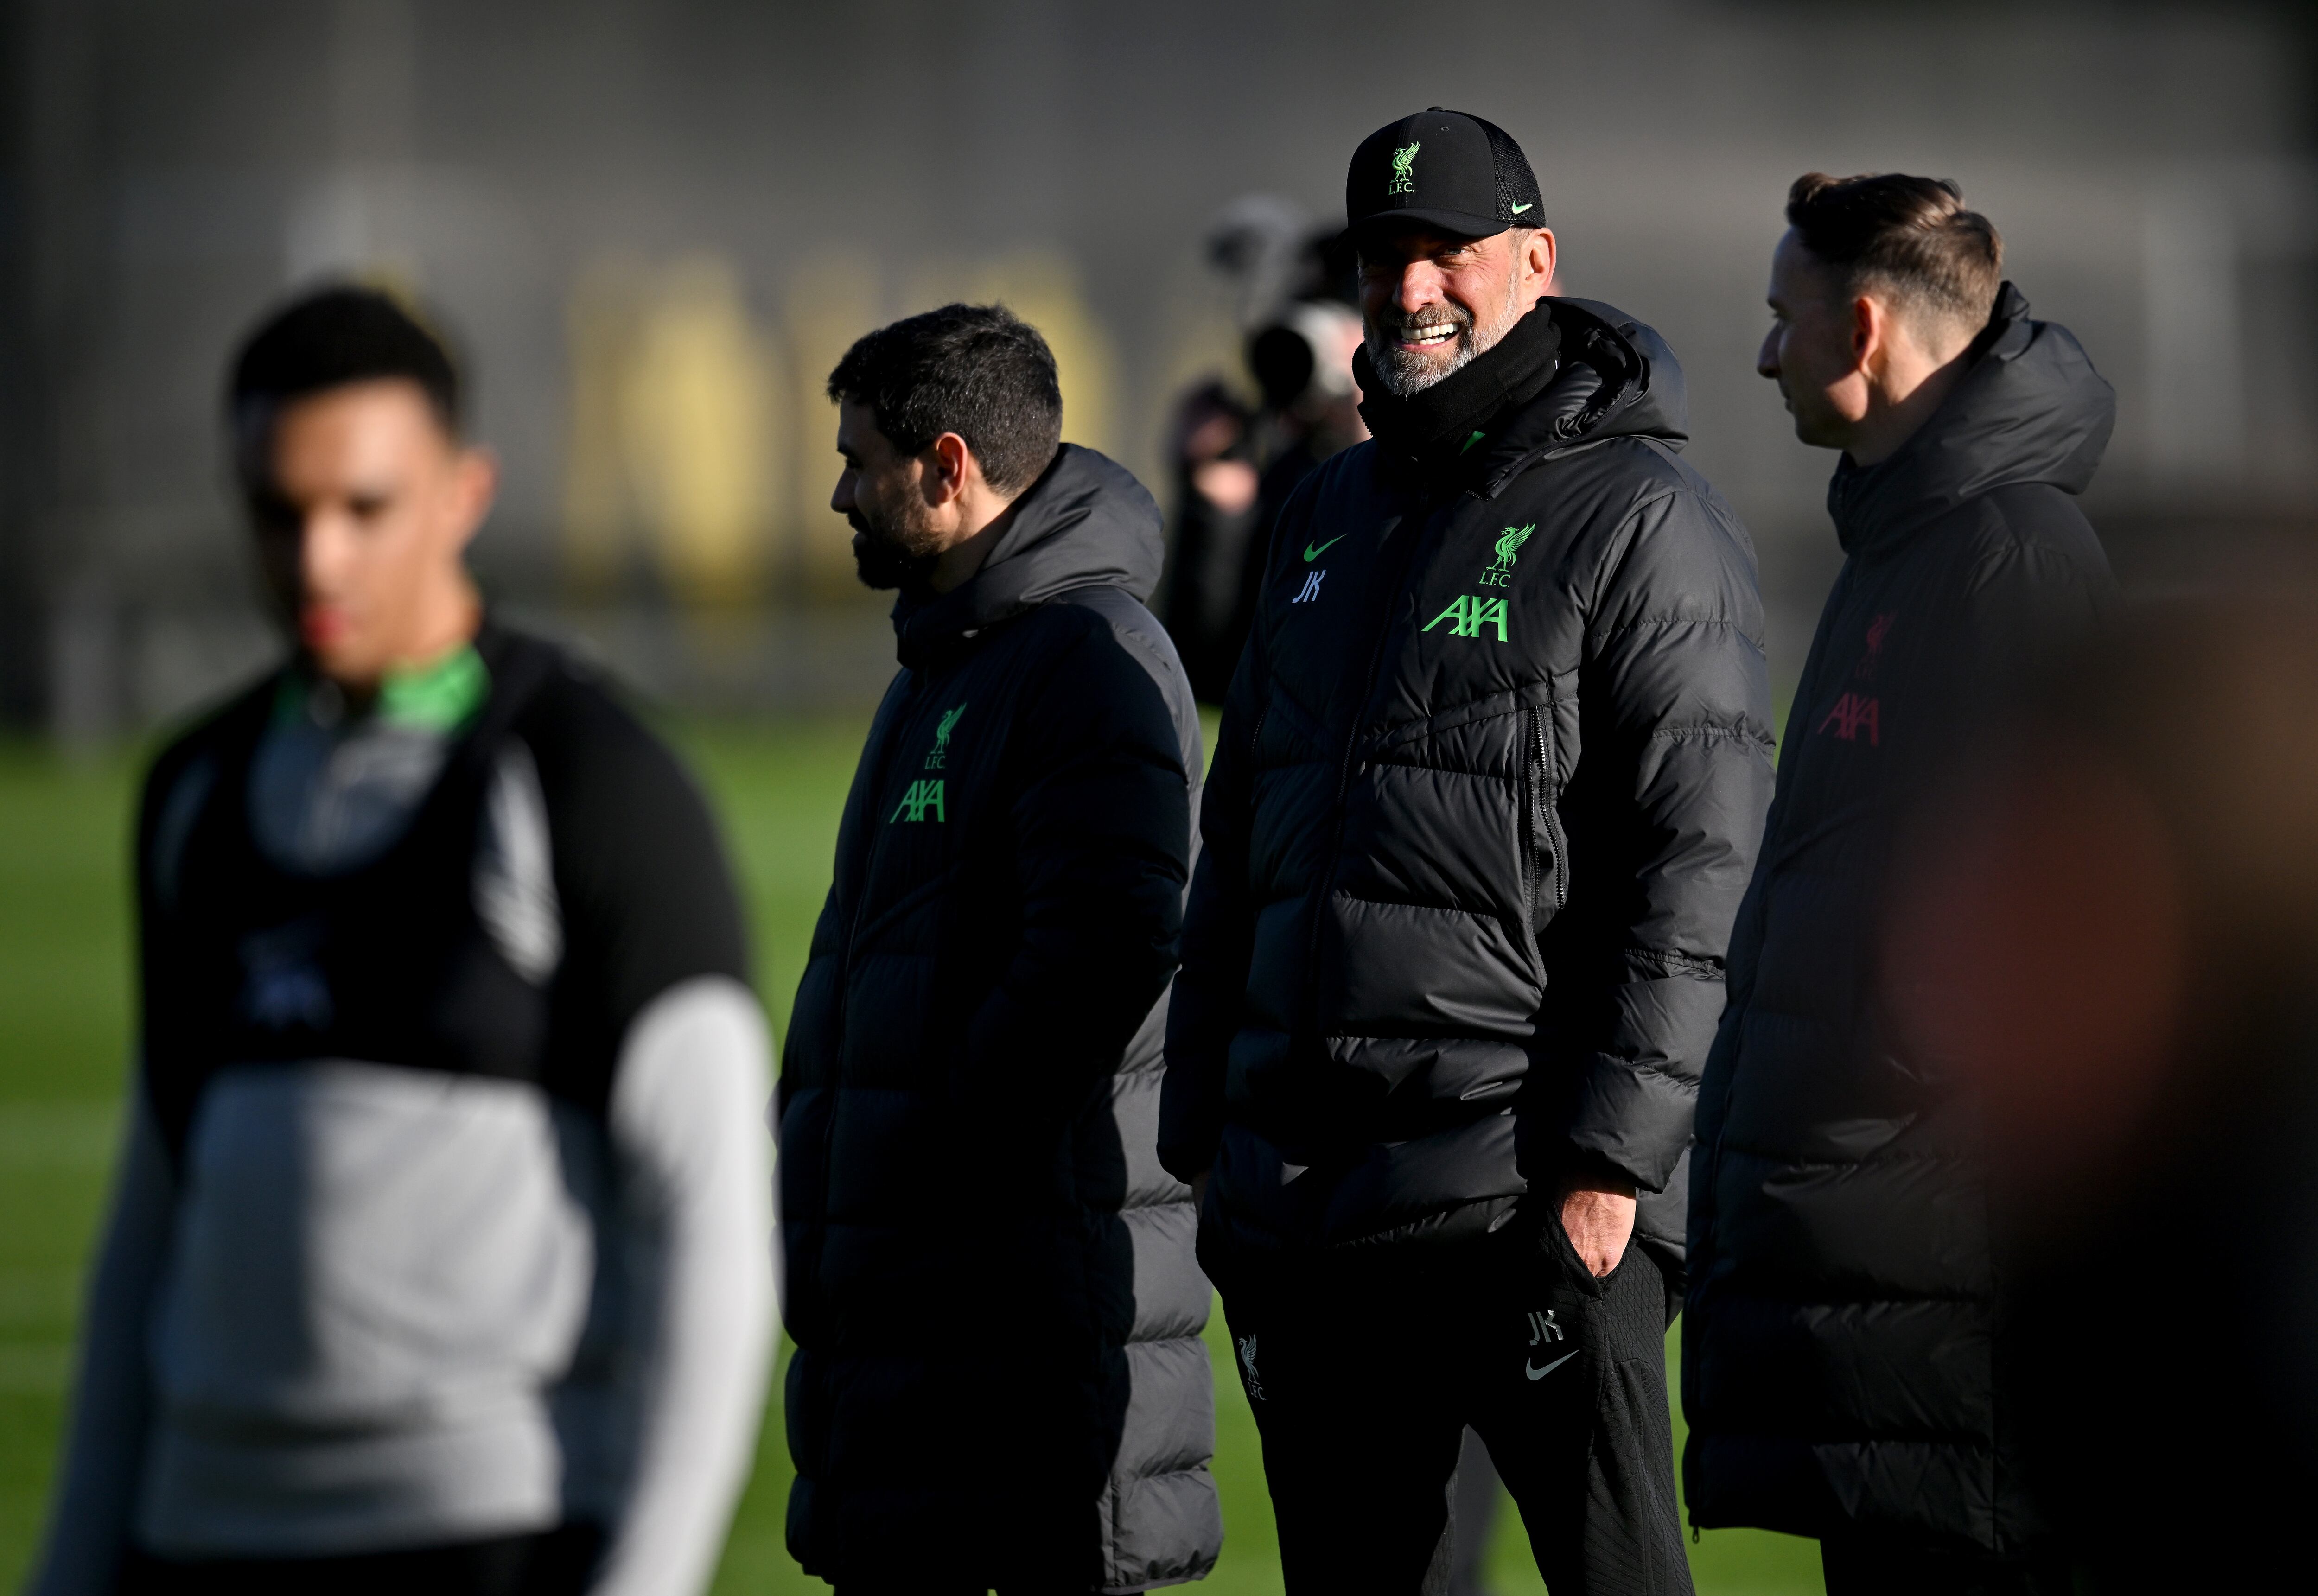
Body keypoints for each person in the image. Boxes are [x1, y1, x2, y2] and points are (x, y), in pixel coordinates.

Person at [25, 287, 775, 1596]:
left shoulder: (590, 778)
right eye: (277, 510)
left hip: (486, 1541)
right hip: (199, 1534)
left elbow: (713, 1216)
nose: (318, 559)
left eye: (363, 508)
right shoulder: (193, 793)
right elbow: (149, 1226)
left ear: (464, 492)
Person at [1161, 108, 1775, 1594]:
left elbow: (1694, 864)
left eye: (1449, 250)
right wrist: (1205, 1128)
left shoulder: (1643, 518)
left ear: (1537, 263)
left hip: (1529, 1202)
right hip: (1314, 1207)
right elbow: (1241, 831)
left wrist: (1607, 1168)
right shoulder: (1323, 512)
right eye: (1386, 256)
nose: (1414, 285)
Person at [1681, 174, 2115, 1595]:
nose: (1763, 356)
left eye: (1780, 320)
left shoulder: (2010, 556)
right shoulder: (1902, 540)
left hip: (1946, 1306)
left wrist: (1871, 1066)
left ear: (1861, 328)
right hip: (1874, 1278)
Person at [777, 304, 1219, 1595]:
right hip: (926, 1309)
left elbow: (1112, 943)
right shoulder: (949, 659)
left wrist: (948, 1129)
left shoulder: (1083, 659)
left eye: (862, 461)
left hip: (1016, 1307)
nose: (842, 492)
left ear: (951, 466)